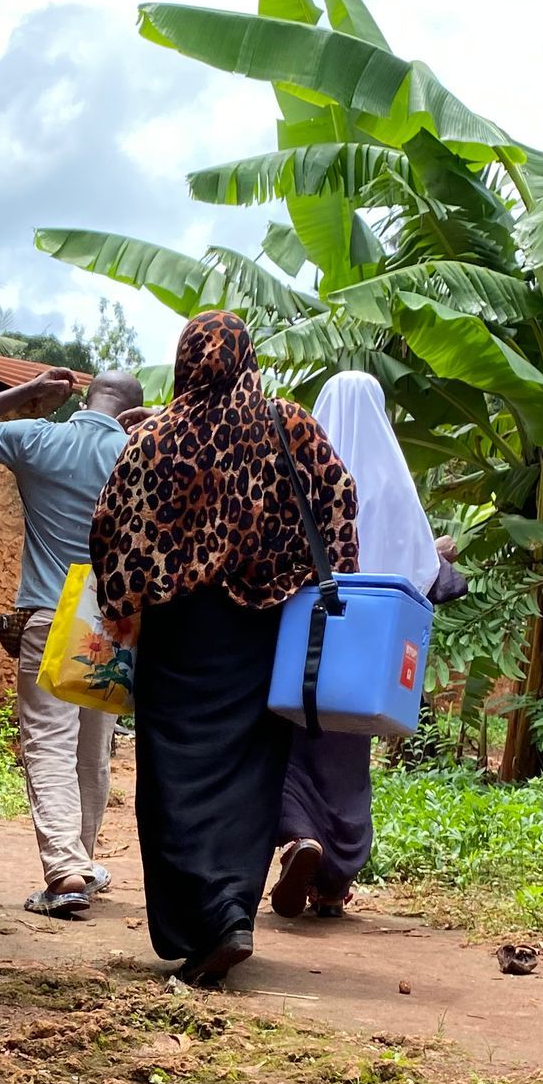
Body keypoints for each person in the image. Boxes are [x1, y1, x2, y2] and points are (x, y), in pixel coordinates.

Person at [89, 311, 356, 985]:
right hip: (262, 628)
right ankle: (233, 910)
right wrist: (320, 576)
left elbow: (112, 524)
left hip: (179, 635)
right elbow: (339, 495)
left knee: (173, 781)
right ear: (247, 359)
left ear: (184, 362)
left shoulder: (153, 437)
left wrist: (120, 607)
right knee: (249, 775)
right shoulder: (286, 424)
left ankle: (208, 920)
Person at [0, 364, 147, 916]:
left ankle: (65, 870)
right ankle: (78, 860)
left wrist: (30, 393)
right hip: (111, 620)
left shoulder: (40, 437)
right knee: (92, 750)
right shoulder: (141, 456)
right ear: (132, 408)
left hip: (50, 611)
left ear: (85, 397)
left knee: (48, 744)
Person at [271, 370, 438, 922]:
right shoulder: (393, 479)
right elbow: (422, 567)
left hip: (306, 633)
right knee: (349, 753)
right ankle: (333, 883)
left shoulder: (304, 466)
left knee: (294, 740)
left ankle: (297, 838)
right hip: (370, 647)